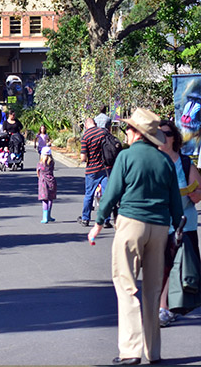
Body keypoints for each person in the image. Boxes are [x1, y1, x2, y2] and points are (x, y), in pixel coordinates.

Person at [88, 108, 183, 366]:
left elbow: (113, 192)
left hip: (131, 223)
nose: (125, 133)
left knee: (126, 286)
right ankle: (154, 351)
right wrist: (177, 229)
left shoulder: (127, 157)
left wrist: (98, 222)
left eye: (128, 129)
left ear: (137, 133)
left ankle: (131, 350)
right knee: (152, 289)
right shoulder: (165, 160)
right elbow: (175, 199)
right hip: (160, 227)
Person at [156, 119, 201, 327]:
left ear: (174, 137)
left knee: (179, 266)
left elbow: (198, 193)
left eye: (166, 133)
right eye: (159, 134)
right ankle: (163, 305)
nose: (162, 137)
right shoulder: (154, 161)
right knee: (163, 266)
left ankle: (167, 306)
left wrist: (194, 194)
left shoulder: (184, 163)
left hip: (185, 224)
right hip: (161, 223)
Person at [78, 118, 111, 228]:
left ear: (86, 126)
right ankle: (106, 220)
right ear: (95, 124)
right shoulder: (103, 132)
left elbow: (83, 158)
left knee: (89, 194)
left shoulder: (85, 137)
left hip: (92, 170)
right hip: (106, 168)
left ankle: (85, 218)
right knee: (106, 194)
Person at [37, 146, 57, 223]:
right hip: (51, 181)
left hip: (43, 182)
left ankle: (45, 217)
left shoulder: (40, 164)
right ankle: (48, 215)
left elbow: (38, 173)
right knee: (50, 199)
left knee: (44, 199)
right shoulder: (51, 163)